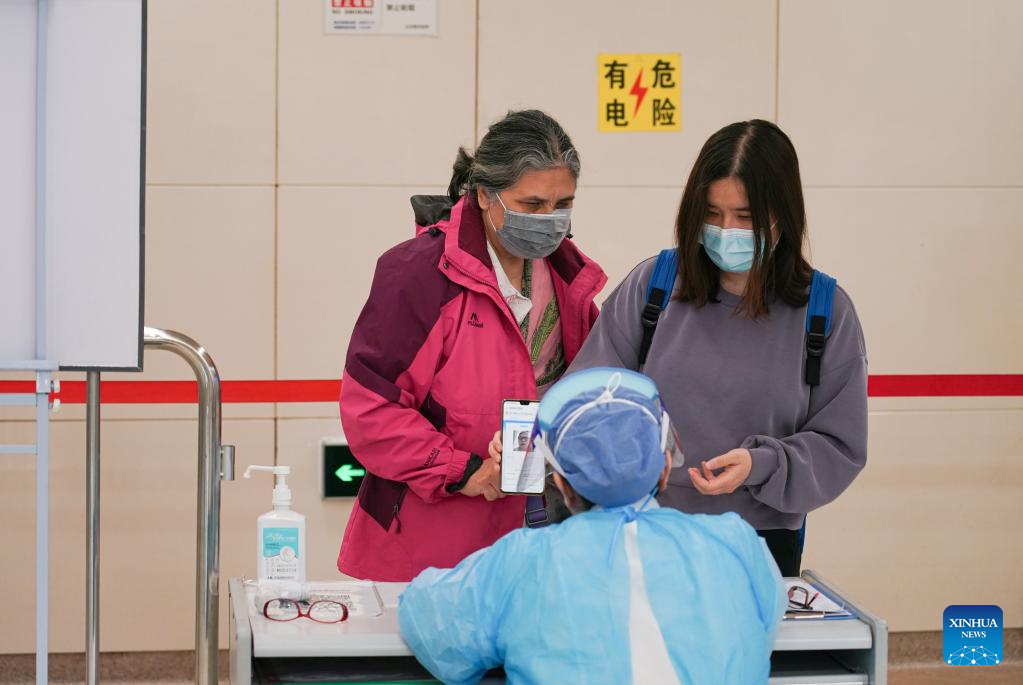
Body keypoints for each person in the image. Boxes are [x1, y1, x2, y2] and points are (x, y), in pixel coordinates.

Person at [567, 120, 868, 576]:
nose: (726, 231)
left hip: (759, 543)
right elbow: (586, 399)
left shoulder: (825, 312)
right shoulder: (653, 287)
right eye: (712, 213)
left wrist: (760, 464)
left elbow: (840, 446)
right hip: (645, 528)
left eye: (745, 217)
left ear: (783, 215)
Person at [337, 110, 607, 581]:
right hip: (431, 547)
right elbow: (371, 411)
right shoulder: (418, 275)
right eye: (532, 204)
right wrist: (464, 471)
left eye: (562, 204)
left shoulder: (570, 279)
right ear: (485, 195)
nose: (549, 220)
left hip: (537, 536)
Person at [399, 368, 786, 685]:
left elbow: (428, 622)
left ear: (561, 483)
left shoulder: (523, 561)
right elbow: (763, 625)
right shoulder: (735, 544)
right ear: (666, 467)